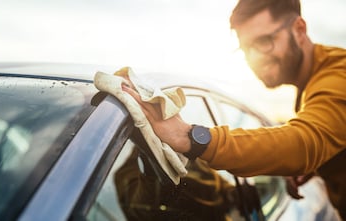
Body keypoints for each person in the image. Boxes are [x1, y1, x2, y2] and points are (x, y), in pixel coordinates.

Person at [122, 0, 346, 219]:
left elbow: (303, 142)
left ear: (299, 29)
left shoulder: (339, 74)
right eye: (246, 48)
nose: (255, 58)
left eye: (264, 41)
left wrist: (189, 136)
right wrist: (321, 163)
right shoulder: (315, 81)